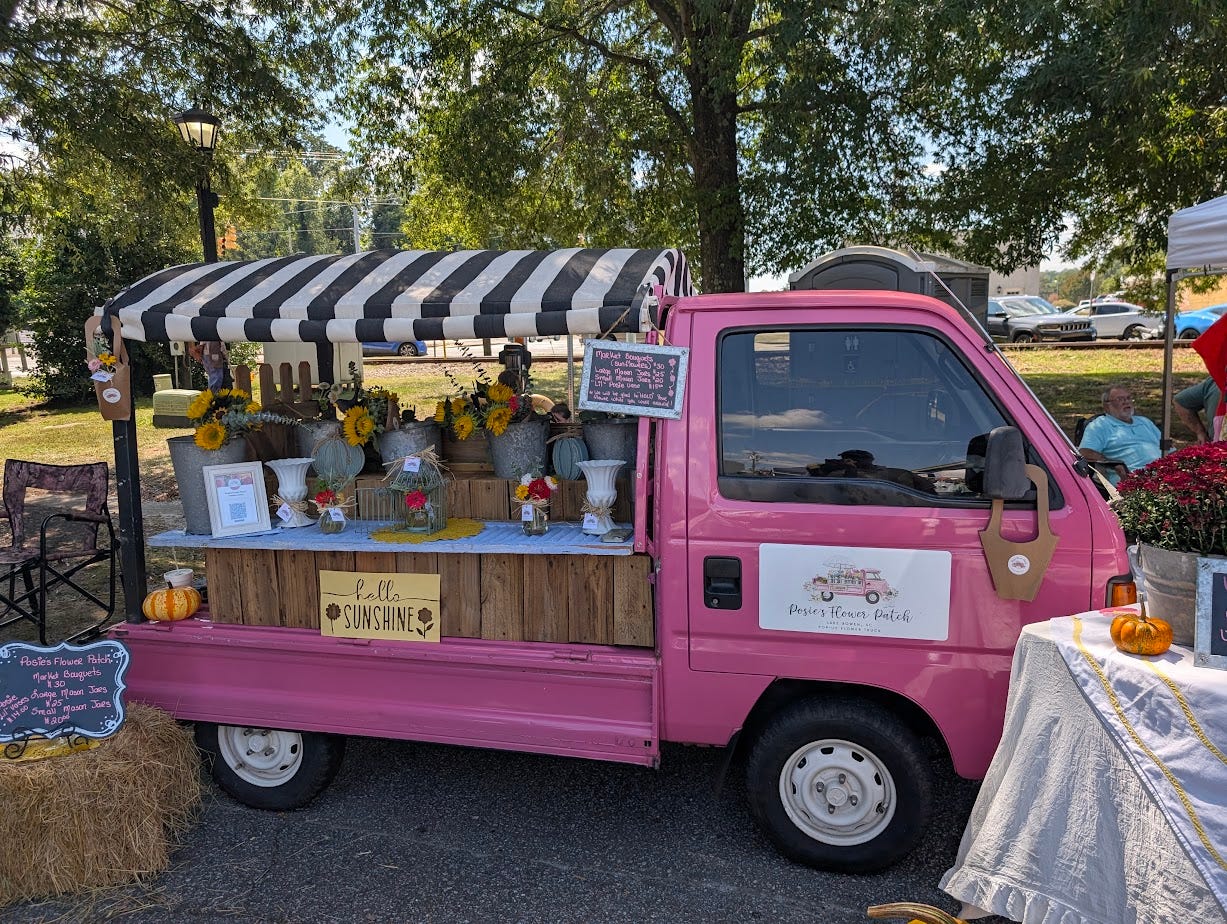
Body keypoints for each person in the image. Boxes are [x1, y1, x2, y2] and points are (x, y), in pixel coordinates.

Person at [1078, 383, 1161, 482]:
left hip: (1162, 474)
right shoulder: (1100, 425)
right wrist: (1112, 463)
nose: (1126, 402)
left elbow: (1169, 450)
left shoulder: (1144, 422)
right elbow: (1085, 452)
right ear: (1107, 406)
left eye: (1128, 398)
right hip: (1132, 480)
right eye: (1120, 399)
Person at [1173, 375, 1222, 444]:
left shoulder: (1214, 382)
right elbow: (1181, 401)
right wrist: (1200, 432)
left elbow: (1180, 401)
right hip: (1217, 448)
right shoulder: (1213, 383)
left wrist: (1200, 432)